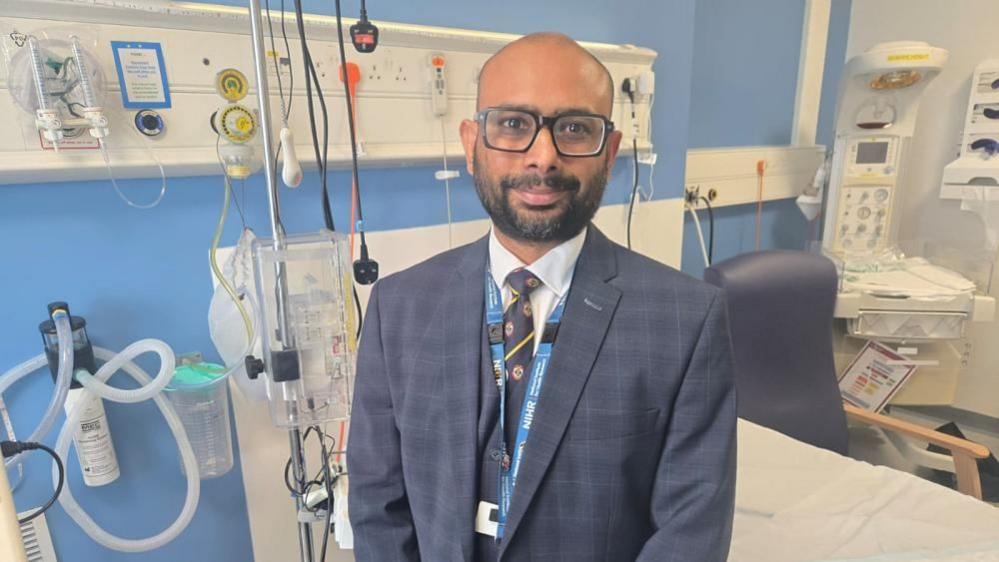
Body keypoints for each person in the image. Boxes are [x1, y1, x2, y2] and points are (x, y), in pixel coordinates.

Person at [348, 32, 736, 562]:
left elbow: (690, 532)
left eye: (576, 129)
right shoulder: (399, 308)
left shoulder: (686, 321)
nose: (544, 156)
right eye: (513, 124)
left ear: (611, 152)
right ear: (471, 144)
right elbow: (377, 504)